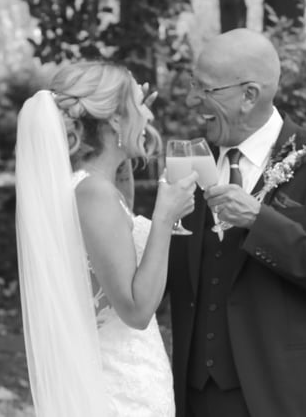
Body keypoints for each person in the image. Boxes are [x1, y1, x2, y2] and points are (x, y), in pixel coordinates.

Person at [167, 28, 306, 417]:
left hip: (285, 395)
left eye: (206, 89)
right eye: (194, 84)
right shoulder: (189, 157)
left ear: (249, 95)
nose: (193, 99)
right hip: (198, 396)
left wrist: (260, 222)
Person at [15, 60, 197, 416]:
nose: (149, 116)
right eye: (141, 106)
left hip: (124, 375)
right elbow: (136, 310)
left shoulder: (91, 188)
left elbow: (120, 213)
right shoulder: (95, 194)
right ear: (114, 120)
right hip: (120, 390)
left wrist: (128, 120)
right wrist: (165, 217)